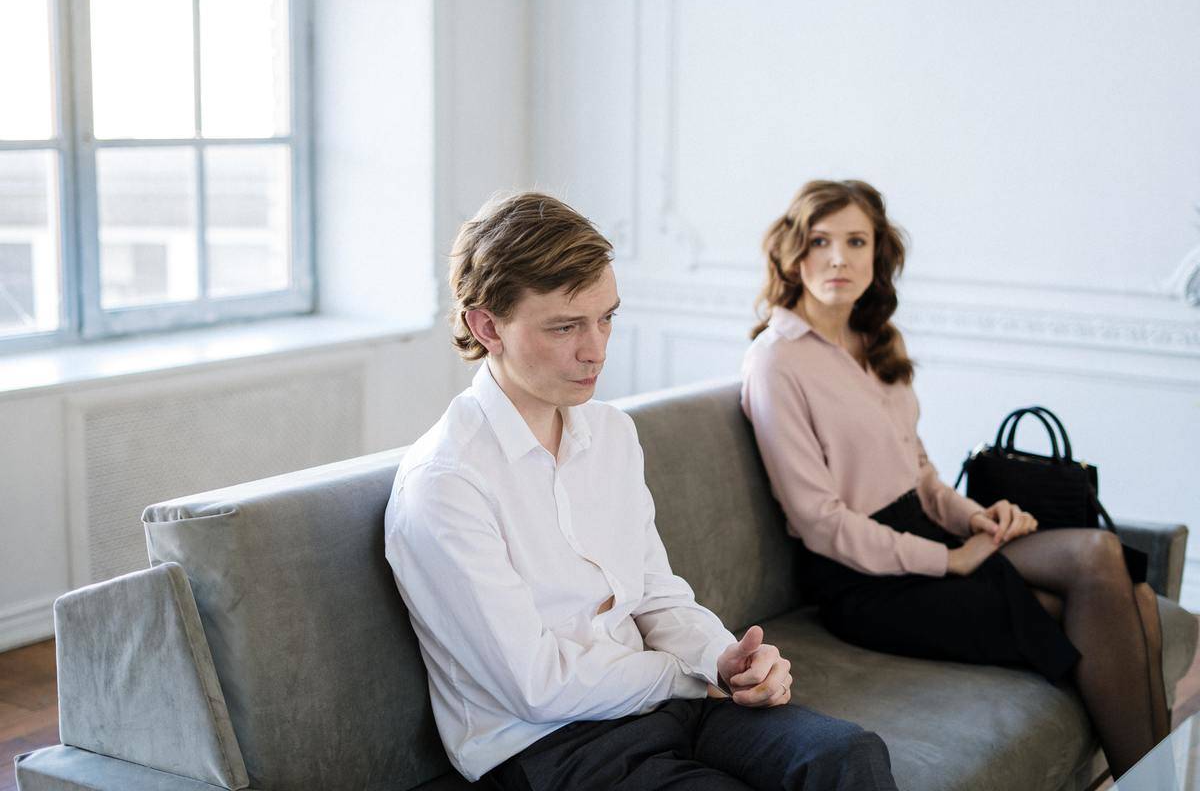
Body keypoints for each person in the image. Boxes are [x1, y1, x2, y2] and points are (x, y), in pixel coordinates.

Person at [385, 191, 899, 790]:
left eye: (606, 318)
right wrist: (686, 674)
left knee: (848, 756)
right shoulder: (446, 484)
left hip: (665, 707)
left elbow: (654, 592)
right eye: (565, 327)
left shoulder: (611, 434)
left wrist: (723, 658)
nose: (596, 349)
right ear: (485, 325)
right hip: (550, 747)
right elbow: (537, 686)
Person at [740, 179, 1169, 780]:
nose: (838, 258)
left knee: (1106, 561)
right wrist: (951, 561)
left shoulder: (877, 341)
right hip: (861, 579)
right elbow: (820, 522)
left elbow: (919, 472)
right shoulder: (775, 360)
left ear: (877, 255)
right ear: (792, 254)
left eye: (856, 241)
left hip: (922, 532)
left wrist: (975, 517)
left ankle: (1158, 782)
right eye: (819, 241)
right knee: (1122, 605)